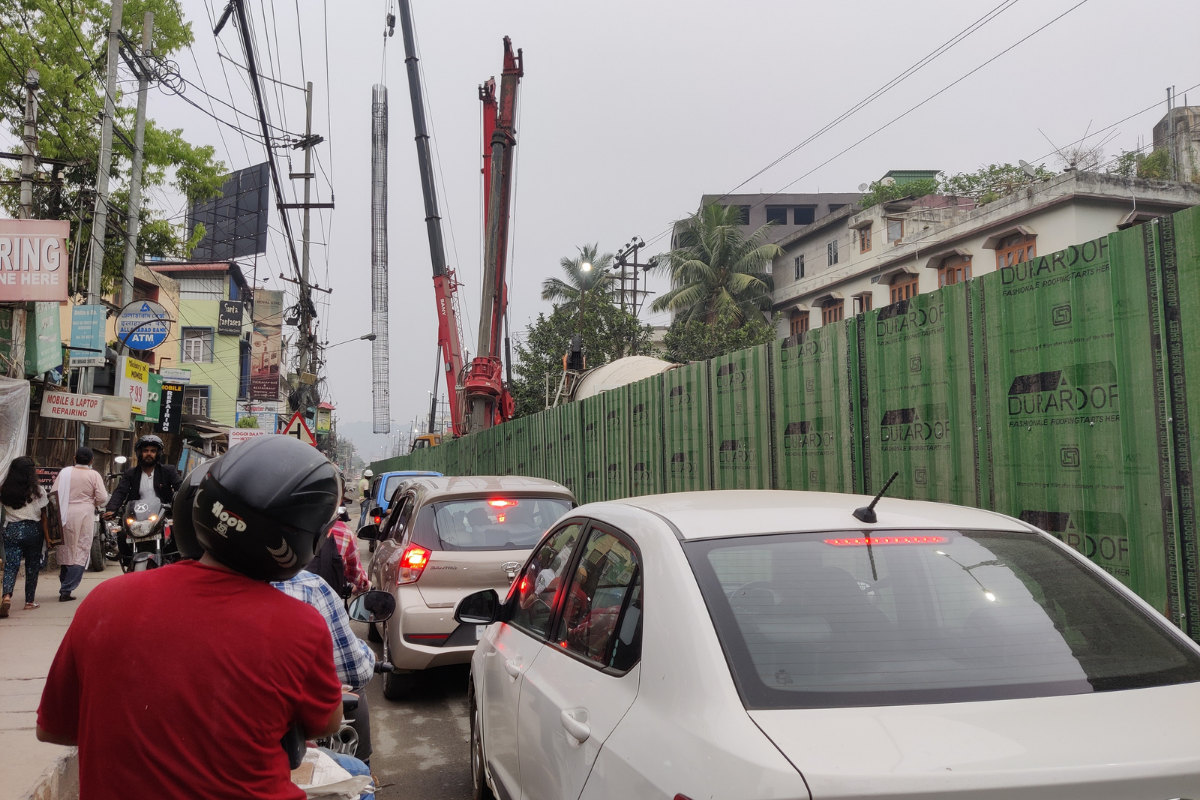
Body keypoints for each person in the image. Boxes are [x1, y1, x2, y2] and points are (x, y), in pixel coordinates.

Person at [37, 435, 346, 799]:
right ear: (304, 540)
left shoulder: (103, 601)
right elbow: (326, 723)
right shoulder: (301, 626)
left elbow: (54, 728)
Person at [271, 569, 376, 763]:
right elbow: (354, 672)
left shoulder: (202, 595)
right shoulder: (310, 586)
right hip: (282, 751)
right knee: (358, 769)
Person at [50, 448, 108, 602]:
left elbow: (54, 493)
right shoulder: (93, 475)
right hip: (85, 513)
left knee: (66, 548)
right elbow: (102, 497)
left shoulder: (64, 473)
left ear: (74, 458)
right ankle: (67, 589)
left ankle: (64, 584)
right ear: (91, 460)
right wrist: (92, 502)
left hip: (65, 513)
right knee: (81, 548)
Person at [1, 456, 49, 617]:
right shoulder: (39, 491)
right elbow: (43, 516)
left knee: (11, 565)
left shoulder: (4, 490)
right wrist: (48, 538)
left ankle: (6, 596)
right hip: (33, 530)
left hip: (12, 530)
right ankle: (29, 602)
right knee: (32, 566)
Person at [103, 434, 182, 519]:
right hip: (136, 518)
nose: (149, 454)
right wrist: (111, 509)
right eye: (145, 451)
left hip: (162, 518)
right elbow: (120, 492)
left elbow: (181, 488)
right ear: (139, 453)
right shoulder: (130, 473)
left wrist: (179, 506)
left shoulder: (168, 471)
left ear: (158, 453)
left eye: (153, 451)